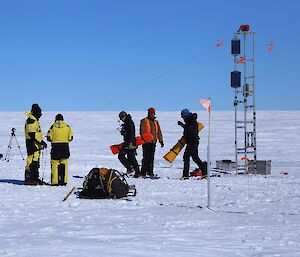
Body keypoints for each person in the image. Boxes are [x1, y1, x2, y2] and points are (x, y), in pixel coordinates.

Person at [178, 109, 205, 179]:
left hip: (192, 141)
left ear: (185, 115)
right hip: (193, 141)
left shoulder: (191, 120)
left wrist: (183, 125)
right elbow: (188, 129)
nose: (182, 118)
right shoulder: (190, 120)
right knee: (195, 158)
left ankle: (185, 175)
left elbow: (190, 129)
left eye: (182, 116)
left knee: (186, 157)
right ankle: (205, 172)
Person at [24, 103, 47, 185]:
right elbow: (32, 134)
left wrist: (41, 142)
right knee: (31, 161)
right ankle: (29, 178)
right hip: (32, 144)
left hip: (36, 145)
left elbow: (36, 134)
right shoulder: (31, 121)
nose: (40, 116)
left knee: (36, 162)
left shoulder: (34, 120)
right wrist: (41, 142)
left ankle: (35, 178)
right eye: (39, 114)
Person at [47, 114, 73, 186]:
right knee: (64, 163)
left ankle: (55, 182)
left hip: (55, 148)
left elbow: (49, 138)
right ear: (63, 119)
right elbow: (70, 138)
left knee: (54, 164)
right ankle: (63, 181)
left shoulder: (52, 127)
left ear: (55, 119)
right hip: (65, 148)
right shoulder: (67, 127)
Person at [140, 107, 164, 177]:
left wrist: (161, 141)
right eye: (150, 113)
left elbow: (159, 132)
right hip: (146, 142)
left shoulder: (156, 122)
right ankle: (143, 172)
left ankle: (150, 172)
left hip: (153, 142)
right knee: (146, 158)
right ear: (148, 113)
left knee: (151, 158)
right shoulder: (144, 120)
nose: (151, 114)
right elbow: (142, 131)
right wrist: (144, 139)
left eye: (152, 113)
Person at [118, 111, 141, 178]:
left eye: (121, 118)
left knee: (121, 156)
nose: (121, 120)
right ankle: (136, 171)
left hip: (130, 143)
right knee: (131, 157)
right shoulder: (127, 122)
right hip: (129, 142)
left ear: (123, 116)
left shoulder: (129, 122)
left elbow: (131, 133)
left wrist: (130, 143)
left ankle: (131, 169)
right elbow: (128, 133)